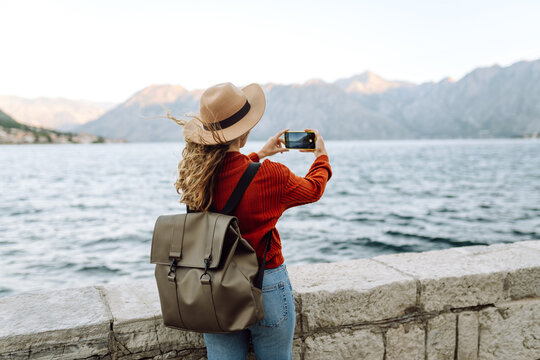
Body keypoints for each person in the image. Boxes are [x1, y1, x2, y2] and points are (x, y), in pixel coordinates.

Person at [168, 82, 332, 360]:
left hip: (213, 285)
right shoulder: (271, 175)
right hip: (265, 283)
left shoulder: (195, 179)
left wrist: (261, 154)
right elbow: (313, 189)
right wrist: (321, 156)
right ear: (244, 136)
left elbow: (234, 177)